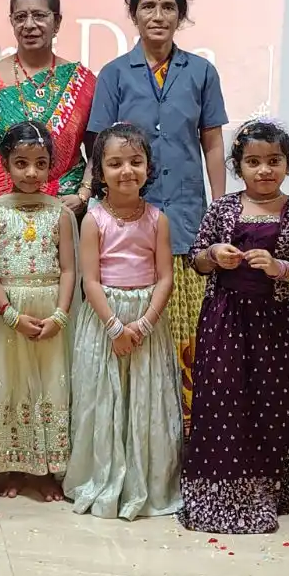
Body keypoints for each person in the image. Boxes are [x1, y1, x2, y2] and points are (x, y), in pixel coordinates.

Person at [87, 0, 227, 429]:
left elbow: (211, 143)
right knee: (140, 339)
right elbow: (100, 145)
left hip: (186, 217)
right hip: (128, 221)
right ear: (134, 13)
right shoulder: (113, 74)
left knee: (186, 335)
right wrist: (91, 198)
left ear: (180, 15)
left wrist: (222, 207)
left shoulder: (202, 72)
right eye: (148, 6)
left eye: (169, 7)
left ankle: (188, 436)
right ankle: (138, 434)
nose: (159, 16)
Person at [180, 118, 289, 534]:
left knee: (273, 400)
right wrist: (214, 254)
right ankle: (221, 484)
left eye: (274, 161)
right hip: (224, 318)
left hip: (274, 324)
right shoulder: (222, 208)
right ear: (238, 166)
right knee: (223, 396)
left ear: (287, 164)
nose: (265, 170)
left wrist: (282, 268)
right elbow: (195, 259)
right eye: (253, 162)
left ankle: (278, 487)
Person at [62, 123, 183, 520]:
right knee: (103, 401)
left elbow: (165, 276)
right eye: (114, 163)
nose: (126, 171)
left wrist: (144, 325)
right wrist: (115, 328)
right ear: (99, 172)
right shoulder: (93, 220)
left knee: (147, 402)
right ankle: (100, 475)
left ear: (149, 167)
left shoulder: (158, 219)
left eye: (135, 161)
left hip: (147, 322)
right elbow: (89, 279)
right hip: (105, 320)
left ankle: (146, 481)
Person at [0, 121, 76, 500]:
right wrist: (10, 314)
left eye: (40, 163)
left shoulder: (60, 213)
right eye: (21, 163)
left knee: (51, 387)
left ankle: (48, 471)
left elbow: (69, 268)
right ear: (5, 164)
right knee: (10, 385)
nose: (31, 173)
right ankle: (12, 467)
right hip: (11, 317)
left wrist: (61, 316)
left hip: (51, 313)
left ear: (52, 164)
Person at [0, 0, 96, 207]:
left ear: (57, 22)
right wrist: (1, 187)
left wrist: (83, 194)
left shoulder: (83, 80)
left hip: (66, 207)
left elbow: (97, 150)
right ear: (11, 21)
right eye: (20, 17)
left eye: (40, 15)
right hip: (4, 207)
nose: (29, 25)